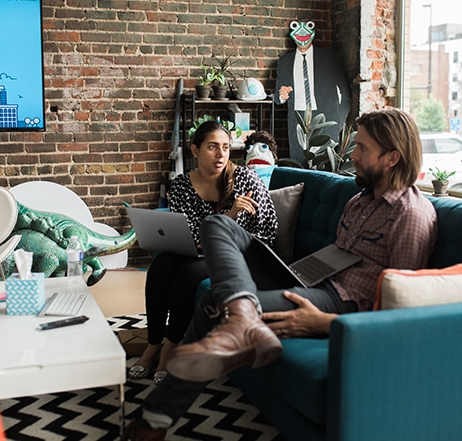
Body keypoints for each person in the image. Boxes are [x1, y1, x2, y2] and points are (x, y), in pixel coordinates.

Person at [124, 108, 438, 440]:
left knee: (215, 302)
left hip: (338, 301)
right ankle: (243, 318)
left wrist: (327, 323)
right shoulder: (360, 201)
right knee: (218, 224)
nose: (354, 156)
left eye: (362, 149)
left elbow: (402, 307)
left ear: (391, 158)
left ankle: (153, 423)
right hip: (310, 276)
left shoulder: (411, 214)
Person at [127, 120, 278, 383]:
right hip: (197, 249)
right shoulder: (183, 184)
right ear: (195, 151)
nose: (221, 154)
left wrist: (230, 217)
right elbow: (189, 232)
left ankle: (171, 348)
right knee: (161, 267)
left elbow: (267, 228)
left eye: (226, 148)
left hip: (237, 252)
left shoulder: (245, 178)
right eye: (212, 147)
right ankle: (153, 344)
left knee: (189, 273)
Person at [275, 20, 351, 165]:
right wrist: (282, 95)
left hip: (326, 118)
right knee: (299, 163)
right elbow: (278, 98)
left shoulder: (328, 57)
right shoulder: (285, 61)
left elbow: (345, 92)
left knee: (326, 164)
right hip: (297, 119)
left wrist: (340, 121)